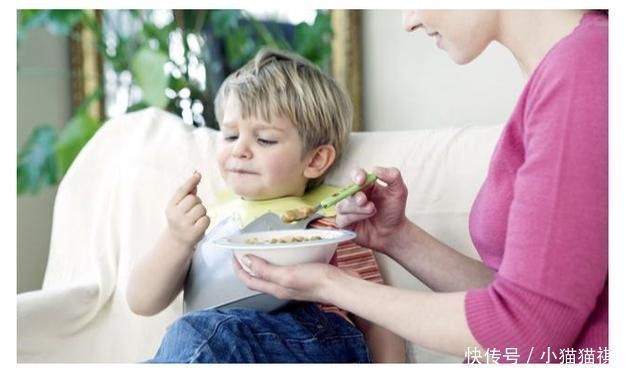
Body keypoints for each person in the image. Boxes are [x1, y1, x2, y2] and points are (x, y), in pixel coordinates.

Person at [234, 10, 608, 363]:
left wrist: (330, 285)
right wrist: (396, 237)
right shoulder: (566, 71)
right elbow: (524, 301)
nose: (408, 21)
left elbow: (526, 331)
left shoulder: (585, 69)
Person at [126, 48, 406, 363]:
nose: (240, 151)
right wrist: (177, 239)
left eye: (265, 140)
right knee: (187, 338)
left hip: (314, 338)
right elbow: (141, 301)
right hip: (215, 341)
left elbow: (379, 315)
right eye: (230, 136)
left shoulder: (335, 217)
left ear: (315, 160)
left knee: (196, 334)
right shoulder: (212, 223)